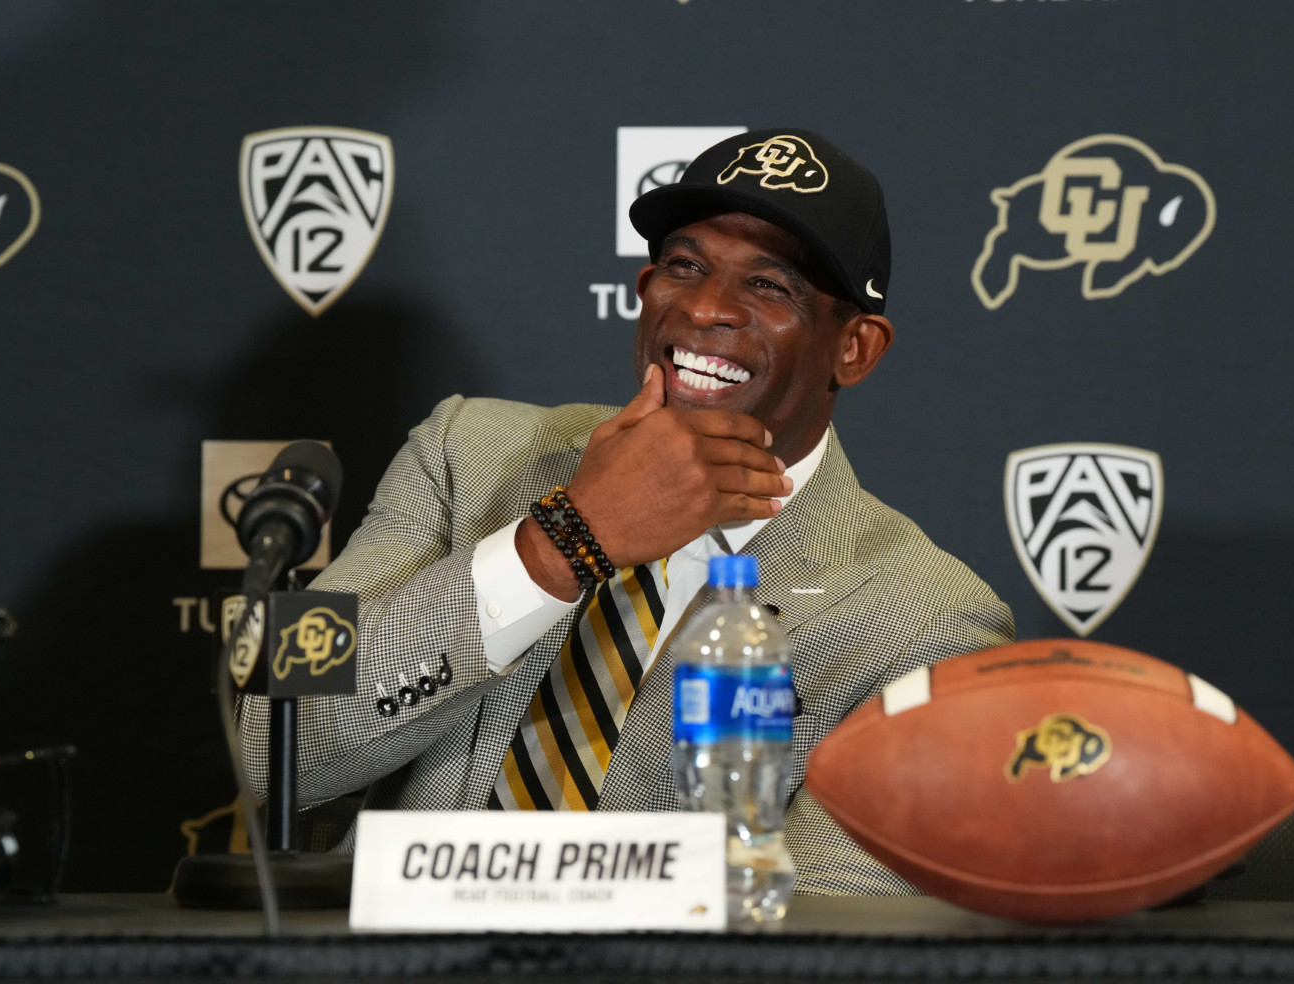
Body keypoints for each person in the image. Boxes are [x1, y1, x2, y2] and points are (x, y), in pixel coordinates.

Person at [240, 128, 1014, 894]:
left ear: (856, 349)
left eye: (770, 286)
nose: (707, 307)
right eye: (686, 265)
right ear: (646, 291)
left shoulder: (927, 622)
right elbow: (273, 742)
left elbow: (823, 933)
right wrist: (562, 542)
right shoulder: (463, 453)